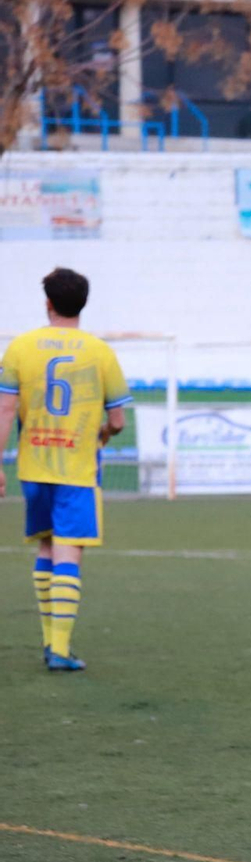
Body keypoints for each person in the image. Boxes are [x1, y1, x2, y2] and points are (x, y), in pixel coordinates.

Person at [0, 268, 133, 672]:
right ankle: (59, 649)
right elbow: (118, 420)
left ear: (48, 303)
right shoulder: (100, 352)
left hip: (33, 466)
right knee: (68, 553)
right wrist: (104, 433)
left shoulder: (20, 347)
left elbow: (5, 409)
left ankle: (49, 640)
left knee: (45, 547)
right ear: (83, 304)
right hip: (76, 469)